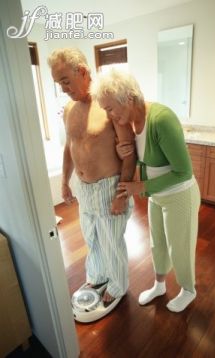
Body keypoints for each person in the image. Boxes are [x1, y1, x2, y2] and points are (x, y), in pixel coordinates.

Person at [92, 69, 201, 313]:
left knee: (180, 246)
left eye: (110, 108)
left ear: (128, 99)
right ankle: (159, 285)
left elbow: (183, 171)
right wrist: (127, 156)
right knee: (157, 244)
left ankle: (188, 290)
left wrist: (141, 186)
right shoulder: (131, 122)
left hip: (180, 195)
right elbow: (146, 159)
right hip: (157, 196)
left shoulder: (161, 118)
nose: (108, 115)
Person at [47, 49, 136, 313]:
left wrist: (122, 195)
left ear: (82, 72)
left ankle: (118, 285)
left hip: (109, 186)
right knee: (92, 238)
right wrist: (65, 181)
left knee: (112, 241)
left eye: (65, 80)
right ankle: (97, 277)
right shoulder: (69, 109)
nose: (63, 89)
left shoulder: (109, 104)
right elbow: (69, 147)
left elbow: (129, 153)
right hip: (83, 188)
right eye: (58, 83)